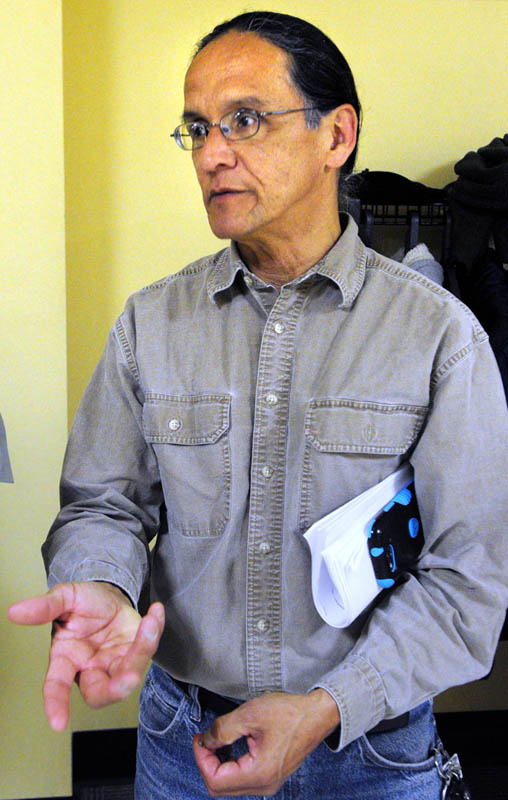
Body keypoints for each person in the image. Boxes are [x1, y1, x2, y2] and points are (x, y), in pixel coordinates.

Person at [8, 11, 508, 799]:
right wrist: (104, 590)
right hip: (185, 743)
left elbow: (466, 581)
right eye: (197, 127)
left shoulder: (440, 336)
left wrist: (324, 709)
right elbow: (104, 506)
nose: (212, 154)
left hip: (372, 754)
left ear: (336, 135)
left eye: (245, 120)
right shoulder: (151, 322)